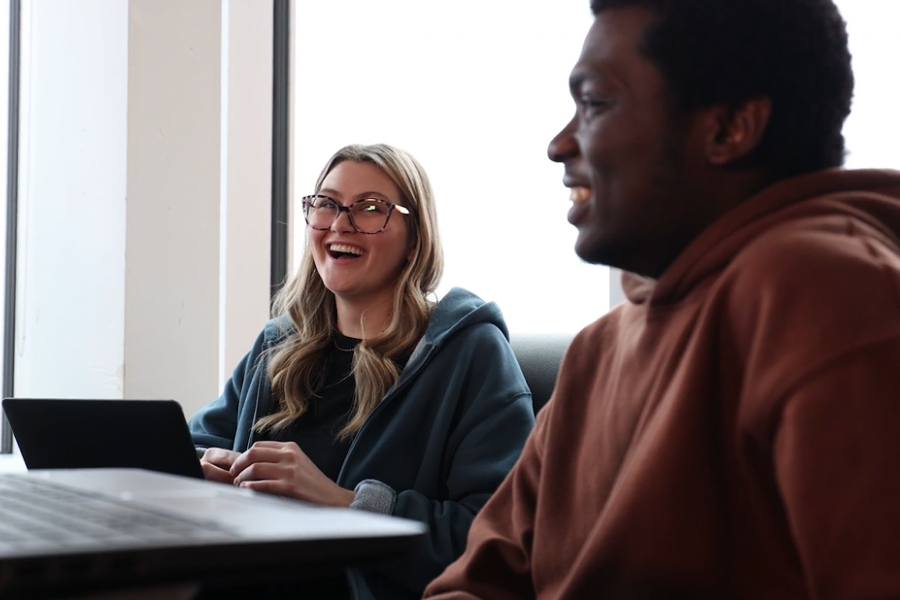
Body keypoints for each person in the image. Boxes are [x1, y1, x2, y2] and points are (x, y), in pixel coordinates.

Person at [424, 0, 900, 598]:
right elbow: (478, 583)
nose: (558, 144)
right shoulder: (598, 351)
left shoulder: (826, 294)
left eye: (595, 102)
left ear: (728, 128)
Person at [188, 143, 534, 600]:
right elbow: (195, 445)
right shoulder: (277, 347)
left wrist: (345, 502)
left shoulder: (470, 353)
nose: (340, 224)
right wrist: (201, 469)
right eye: (327, 204)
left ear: (415, 241)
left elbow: (501, 541)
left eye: (370, 208)